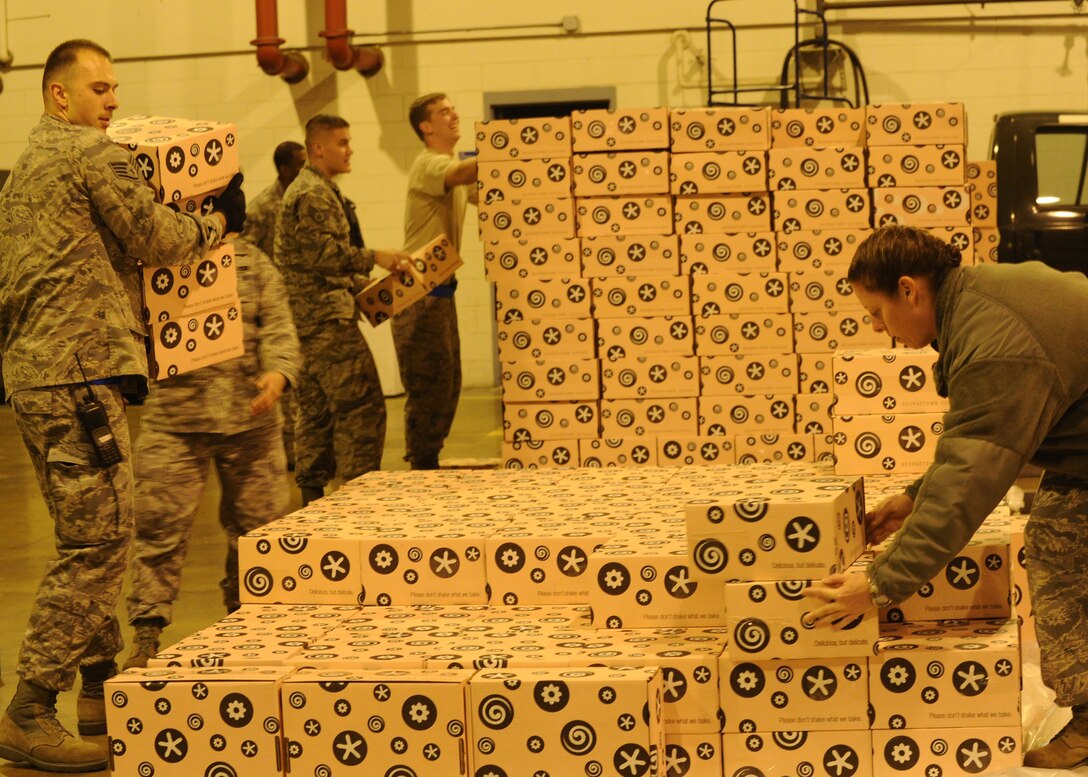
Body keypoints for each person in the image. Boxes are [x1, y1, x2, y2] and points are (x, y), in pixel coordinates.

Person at [0, 39, 242, 772]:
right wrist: (219, 221)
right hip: (80, 375)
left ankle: (100, 695)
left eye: (115, 89)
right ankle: (29, 708)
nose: (113, 102)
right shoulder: (91, 156)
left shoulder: (24, 170)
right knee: (99, 545)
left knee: (88, 532)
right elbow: (158, 237)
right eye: (99, 89)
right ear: (58, 96)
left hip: (40, 376)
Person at [802, 224, 1088, 769]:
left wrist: (882, 584)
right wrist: (914, 496)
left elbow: (968, 485)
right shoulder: (978, 300)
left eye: (877, 313)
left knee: (1060, 547)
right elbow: (977, 441)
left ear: (909, 290)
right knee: (1058, 531)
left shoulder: (996, 345)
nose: (878, 329)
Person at [123, 237, 299, 669]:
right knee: (159, 531)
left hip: (251, 420)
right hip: (175, 420)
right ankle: (147, 634)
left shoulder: (253, 262)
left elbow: (278, 326)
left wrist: (279, 373)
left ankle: (248, 620)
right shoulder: (156, 259)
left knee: (259, 532)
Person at [274, 114, 410, 504]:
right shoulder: (313, 193)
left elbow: (311, 260)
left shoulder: (317, 189)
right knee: (362, 408)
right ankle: (357, 499)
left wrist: (363, 287)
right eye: (343, 143)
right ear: (319, 148)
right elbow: (323, 255)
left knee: (316, 413)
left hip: (310, 318)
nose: (350, 150)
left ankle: (313, 499)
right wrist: (376, 257)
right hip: (325, 321)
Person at [395, 93, 478, 469]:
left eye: (453, 108)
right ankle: (421, 469)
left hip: (440, 292)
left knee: (447, 385)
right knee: (429, 389)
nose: (454, 115)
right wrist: (508, 149)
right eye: (444, 112)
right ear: (426, 127)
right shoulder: (428, 164)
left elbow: (487, 188)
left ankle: (428, 463)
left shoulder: (448, 166)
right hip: (419, 294)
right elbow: (463, 174)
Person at [242, 139, 306, 469]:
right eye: (299, 163)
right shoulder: (263, 207)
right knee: (281, 384)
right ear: (284, 169)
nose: (304, 169)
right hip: (271, 309)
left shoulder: (302, 200)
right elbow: (246, 257)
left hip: (298, 305)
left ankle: (301, 452)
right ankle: (290, 455)